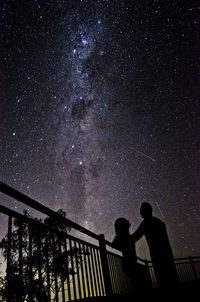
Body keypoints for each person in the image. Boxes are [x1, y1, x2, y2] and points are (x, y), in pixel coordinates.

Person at [131, 202, 179, 289]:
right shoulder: (160, 223)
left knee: (163, 280)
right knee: (172, 278)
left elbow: (134, 237)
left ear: (146, 211)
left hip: (158, 257)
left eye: (141, 210)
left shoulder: (145, 223)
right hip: (167, 254)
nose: (140, 212)